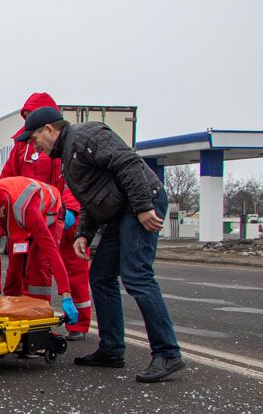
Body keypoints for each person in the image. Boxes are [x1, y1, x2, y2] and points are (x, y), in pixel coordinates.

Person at [20, 106, 184, 383]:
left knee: (137, 276)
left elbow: (128, 164)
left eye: (35, 138)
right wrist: (84, 232)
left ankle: (167, 353)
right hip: (120, 212)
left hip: (139, 203)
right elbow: (92, 198)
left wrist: (143, 207)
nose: (35, 146)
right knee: (101, 276)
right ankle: (111, 349)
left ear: (49, 129)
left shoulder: (86, 135)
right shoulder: (69, 156)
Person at [0, 93, 92, 340]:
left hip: (63, 216)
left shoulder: (66, 143)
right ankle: (30, 320)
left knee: (74, 269)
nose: (28, 124)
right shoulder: (23, 145)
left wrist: (71, 209)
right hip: (32, 219)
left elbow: (76, 177)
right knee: (26, 272)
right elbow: (9, 178)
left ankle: (79, 324)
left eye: (32, 119)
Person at [0, 177, 79, 325]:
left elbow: (51, 251)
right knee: (14, 273)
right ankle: (11, 319)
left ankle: (39, 321)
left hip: (49, 214)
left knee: (38, 267)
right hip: (16, 218)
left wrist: (66, 294)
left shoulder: (25, 209)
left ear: (1, 208)